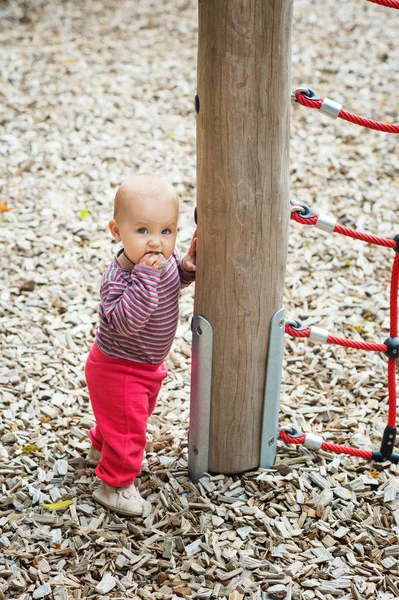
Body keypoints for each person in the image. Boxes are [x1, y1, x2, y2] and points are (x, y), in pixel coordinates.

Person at [85, 173, 196, 516]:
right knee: (131, 426)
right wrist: (146, 277)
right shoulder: (119, 277)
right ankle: (114, 486)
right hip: (117, 367)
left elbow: (173, 276)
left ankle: (101, 446)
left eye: (166, 232)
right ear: (117, 231)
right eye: (143, 231)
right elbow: (127, 322)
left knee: (128, 417)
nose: (156, 243)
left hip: (146, 365)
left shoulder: (160, 263)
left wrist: (187, 268)